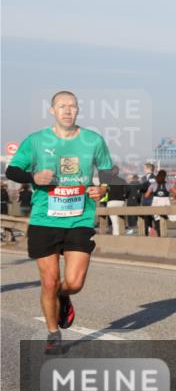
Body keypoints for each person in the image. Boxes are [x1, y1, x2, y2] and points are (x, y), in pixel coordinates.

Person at [5, 91, 112, 354]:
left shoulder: (93, 140)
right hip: (44, 220)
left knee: (73, 283)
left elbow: (108, 173)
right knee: (49, 281)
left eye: (73, 106)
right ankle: (53, 333)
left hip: (79, 219)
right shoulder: (36, 140)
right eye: (62, 106)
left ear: (78, 110)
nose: (68, 110)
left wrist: (103, 189)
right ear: (52, 110)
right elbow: (12, 170)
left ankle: (64, 297)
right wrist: (34, 177)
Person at [144, 170, 173, 237]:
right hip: (165, 203)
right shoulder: (168, 184)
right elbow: (175, 192)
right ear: (165, 176)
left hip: (156, 203)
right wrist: (173, 197)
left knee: (157, 220)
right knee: (164, 219)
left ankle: (159, 234)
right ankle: (163, 234)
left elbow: (146, 195)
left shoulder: (154, 184)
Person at [102, 165, 128, 236]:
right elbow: (128, 190)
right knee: (120, 220)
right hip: (121, 202)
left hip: (111, 201)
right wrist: (125, 196)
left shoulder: (107, 181)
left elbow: (102, 191)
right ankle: (121, 234)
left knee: (114, 221)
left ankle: (116, 236)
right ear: (118, 172)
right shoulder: (122, 180)